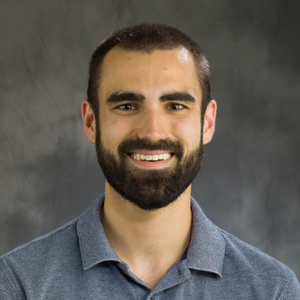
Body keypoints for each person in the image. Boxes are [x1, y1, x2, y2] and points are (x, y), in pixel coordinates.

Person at [0, 23, 299, 299]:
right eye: (127, 105)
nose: (152, 132)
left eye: (175, 105)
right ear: (91, 122)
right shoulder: (19, 283)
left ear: (207, 123)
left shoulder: (272, 289)